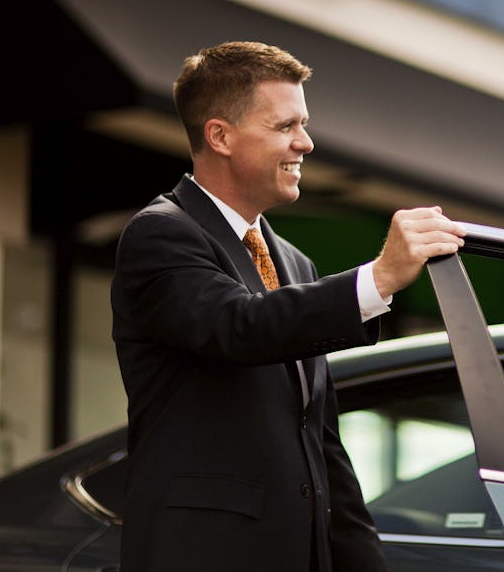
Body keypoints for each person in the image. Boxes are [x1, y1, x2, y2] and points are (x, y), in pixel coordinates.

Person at [111, 41, 465, 572]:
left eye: (303, 124)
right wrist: (380, 277)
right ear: (220, 136)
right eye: (285, 126)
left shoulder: (295, 264)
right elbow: (239, 327)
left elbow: (321, 444)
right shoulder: (160, 234)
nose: (306, 142)